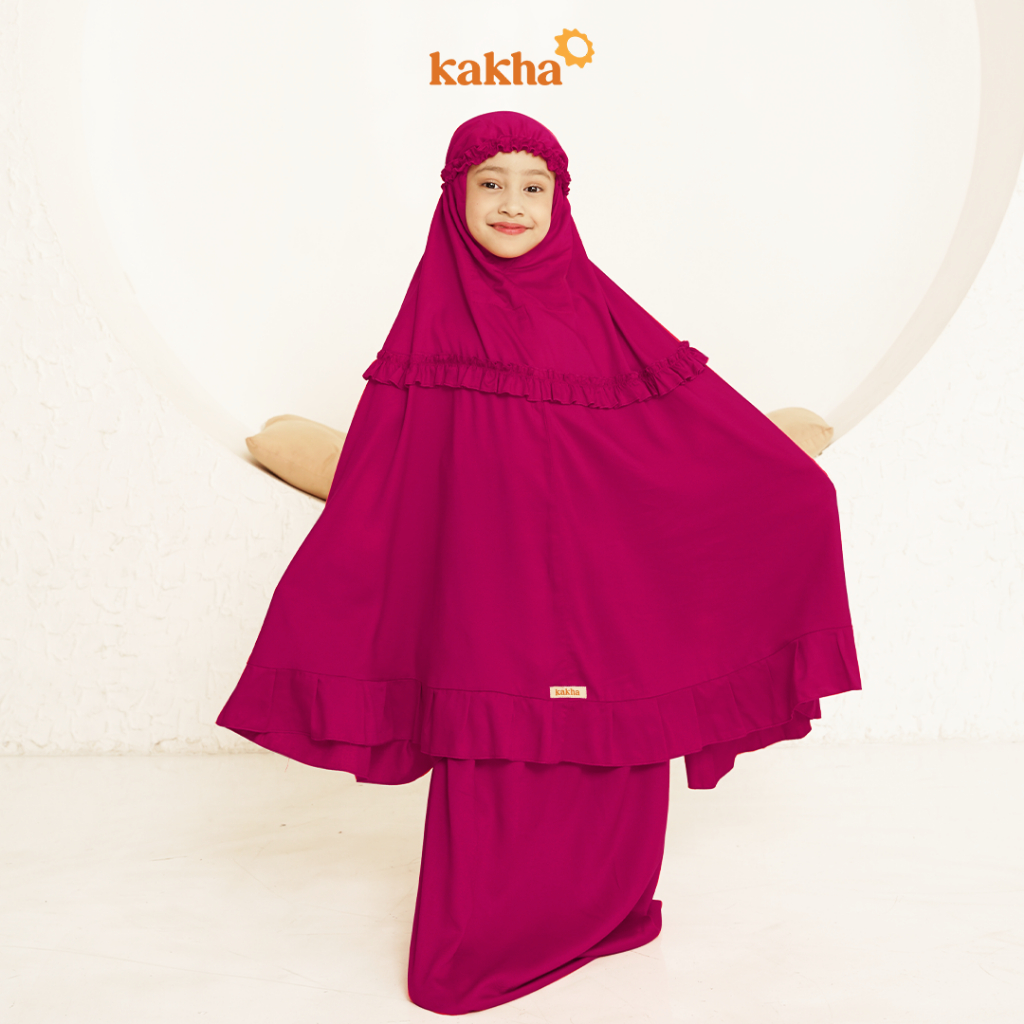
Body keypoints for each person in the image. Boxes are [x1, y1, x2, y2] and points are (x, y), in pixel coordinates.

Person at [216, 110, 861, 1015]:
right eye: (490, 184)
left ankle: (606, 909)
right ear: (455, 195)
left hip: (599, 592)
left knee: (610, 746)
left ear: (560, 199)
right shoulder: (434, 317)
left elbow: (680, 427)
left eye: (533, 186)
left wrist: (782, 482)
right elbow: (395, 462)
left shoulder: (599, 311)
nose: (512, 204)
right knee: (494, 753)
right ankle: (494, 937)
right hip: (487, 595)